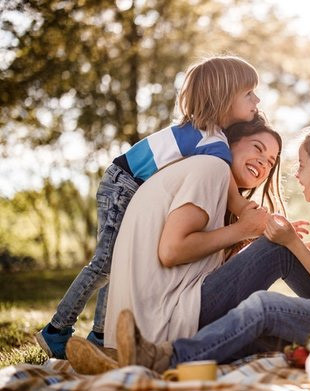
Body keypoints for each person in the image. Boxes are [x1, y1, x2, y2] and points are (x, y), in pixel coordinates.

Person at [107, 127, 310, 372]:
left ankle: (169, 358)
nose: (296, 175)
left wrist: (293, 242)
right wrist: (299, 248)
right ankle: (174, 354)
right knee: (260, 325)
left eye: (302, 166)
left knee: (266, 307)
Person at [36, 55, 263, 359]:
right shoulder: (209, 139)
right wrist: (250, 216)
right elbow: (231, 191)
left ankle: (101, 335)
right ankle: (57, 330)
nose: (256, 99)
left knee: (117, 263)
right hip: (122, 183)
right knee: (105, 263)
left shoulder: (209, 136)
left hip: (129, 185)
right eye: (248, 93)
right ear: (223, 95)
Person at [65, 114, 284, 374]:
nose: (263, 161)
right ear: (229, 142)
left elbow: (211, 270)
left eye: (271, 162)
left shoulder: (205, 176)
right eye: (258, 148)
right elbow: (172, 251)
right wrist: (245, 231)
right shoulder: (212, 168)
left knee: (272, 333)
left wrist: (260, 238)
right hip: (163, 320)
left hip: (152, 319)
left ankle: (115, 360)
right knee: (279, 253)